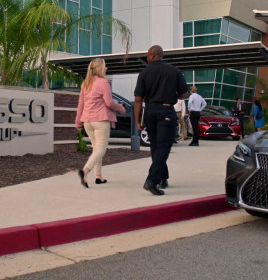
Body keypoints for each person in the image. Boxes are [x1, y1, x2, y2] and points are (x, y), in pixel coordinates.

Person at [134, 45, 188, 196]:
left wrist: (138, 121)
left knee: (156, 147)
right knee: (164, 147)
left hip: (150, 111)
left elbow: (138, 100)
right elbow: (184, 94)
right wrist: (173, 94)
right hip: (166, 110)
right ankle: (152, 180)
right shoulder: (174, 71)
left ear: (151, 56)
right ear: (160, 55)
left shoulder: (144, 73)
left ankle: (163, 178)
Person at [74, 58, 126, 188]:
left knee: (96, 149)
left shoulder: (85, 83)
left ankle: (98, 177)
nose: (106, 68)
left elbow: (81, 105)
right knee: (101, 150)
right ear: (100, 68)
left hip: (87, 121)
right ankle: (85, 170)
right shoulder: (104, 82)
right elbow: (109, 102)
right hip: (100, 120)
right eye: (105, 66)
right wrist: (121, 108)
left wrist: (78, 122)